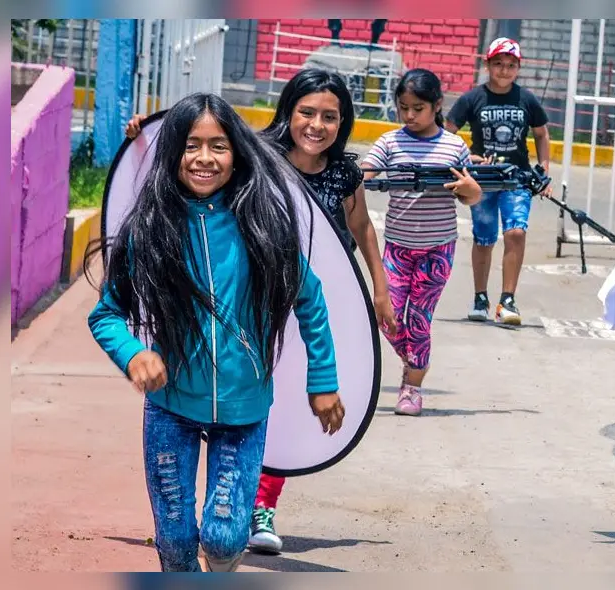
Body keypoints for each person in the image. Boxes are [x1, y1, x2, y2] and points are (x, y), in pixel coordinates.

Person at [125, 69, 395, 555]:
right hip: (204, 346)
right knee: (178, 537)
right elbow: (192, 150)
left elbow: (356, 234)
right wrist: (145, 135)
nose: (316, 124)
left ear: (344, 122)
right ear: (287, 113)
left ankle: (256, 502)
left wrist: (375, 291)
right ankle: (253, 506)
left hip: (271, 314)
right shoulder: (258, 159)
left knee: (275, 406)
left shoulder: (339, 176)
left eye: (330, 116)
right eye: (306, 112)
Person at [86, 93, 345, 572]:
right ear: (173, 155)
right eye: (191, 145)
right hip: (170, 407)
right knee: (177, 540)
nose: (204, 158)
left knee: (225, 540)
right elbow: (105, 314)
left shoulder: (265, 225)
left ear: (237, 154)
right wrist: (133, 354)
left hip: (245, 413)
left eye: (218, 145)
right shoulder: (151, 229)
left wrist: (323, 380)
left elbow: (310, 300)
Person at [360, 68, 483, 417]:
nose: (410, 115)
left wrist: (473, 193)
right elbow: (367, 173)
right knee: (387, 316)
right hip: (397, 248)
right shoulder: (389, 142)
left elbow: (470, 194)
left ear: (438, 105)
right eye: (404, 107)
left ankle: (411, 387)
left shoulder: (454, 146)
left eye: (418, 108)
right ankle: (416, 359)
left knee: (419, 319)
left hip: (438, 248)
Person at [445, 36, 551, 326]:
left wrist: (543, 170)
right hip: (482, 181)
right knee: (484, 238)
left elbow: (541, 134)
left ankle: (507, 300)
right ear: (487, 64)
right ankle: (480, 296)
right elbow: (447, 132)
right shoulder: (472, 98)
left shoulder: (526, 99)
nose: (504, 70)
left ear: (518, 67)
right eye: (498, 64)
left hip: (517, 178)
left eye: (511, 65)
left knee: (516, 231)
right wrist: (468, 158)